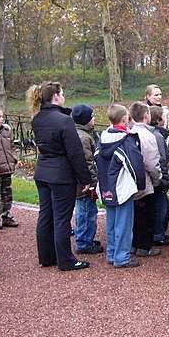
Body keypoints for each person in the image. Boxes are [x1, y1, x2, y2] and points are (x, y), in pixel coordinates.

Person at [27, 82, 92, 271]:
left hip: (43, 171)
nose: (63, 96)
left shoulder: (37, 118)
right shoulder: (64, 120)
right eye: (62, 94)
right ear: (56, 96)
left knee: (45, 215)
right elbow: (75, 153)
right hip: (61, 174)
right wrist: (86, 179)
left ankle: (46, 256)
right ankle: (65, 260)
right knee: (62, 218)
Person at [95, 104, 142, 268]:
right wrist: (140, 185)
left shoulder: (102, 139)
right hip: (122, 187)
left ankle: (112, 253)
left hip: (106, 185)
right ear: (124, 119)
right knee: (124, 223)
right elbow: (135, 165)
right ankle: (121, 256)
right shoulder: (126, 140)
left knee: (112, 221)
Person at [129, 101, 163, 257]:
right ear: (146, 115)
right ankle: (145, 246)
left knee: (134, 214)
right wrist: (157, 179)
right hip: (146, 180)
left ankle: (133, 244)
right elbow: (151, 162)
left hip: (131, 180)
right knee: (147, 214)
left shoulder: (129, 132)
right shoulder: (147, 136)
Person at [71, 104, 102, 255]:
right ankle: (83, 241)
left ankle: (86, 238)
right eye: (92, 117)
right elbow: (87, 162)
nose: (94, 119)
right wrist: (92, 182)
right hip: (84, 183)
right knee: (86, 212)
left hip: (81, 182)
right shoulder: (83, 138)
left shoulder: (83, 134)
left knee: (87, 210)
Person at [148, 105, 169, 246]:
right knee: (161, 207)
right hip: (158, 179)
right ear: (159, 119)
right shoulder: (158, 136)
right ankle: (158, 234)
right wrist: (165, 179)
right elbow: (162, 159)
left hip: (151, 178)